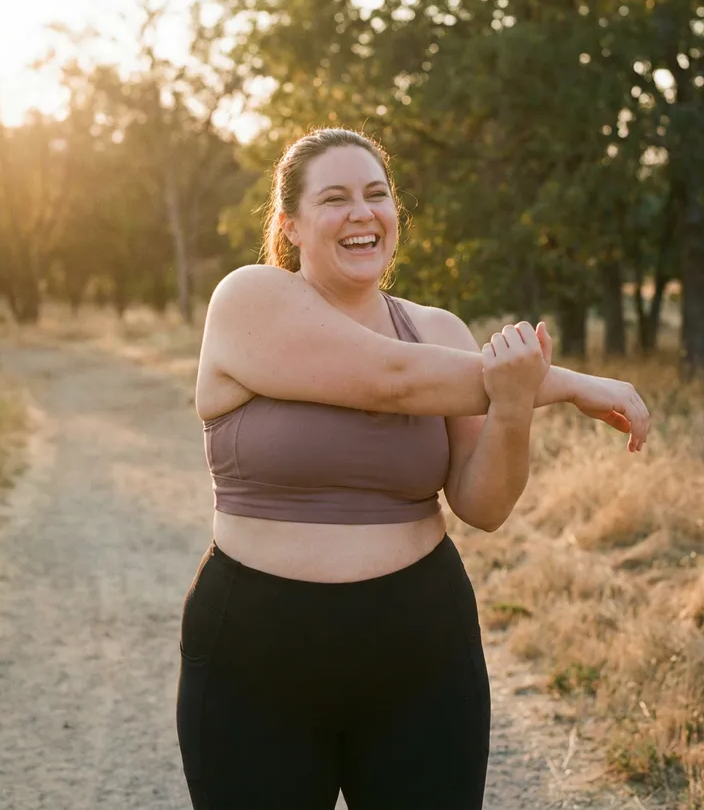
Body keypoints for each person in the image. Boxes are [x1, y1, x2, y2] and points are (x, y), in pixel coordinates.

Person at [177, 128, 649, 810]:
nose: (362, 212)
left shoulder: (442, 334)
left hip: (421, 648)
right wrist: (571, 383)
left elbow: (482, 505)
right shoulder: (248, 299)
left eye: (377, 194)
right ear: (291, 226)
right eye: (334, 198)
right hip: (257, 648)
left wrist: (515, 404)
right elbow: (391, 379)